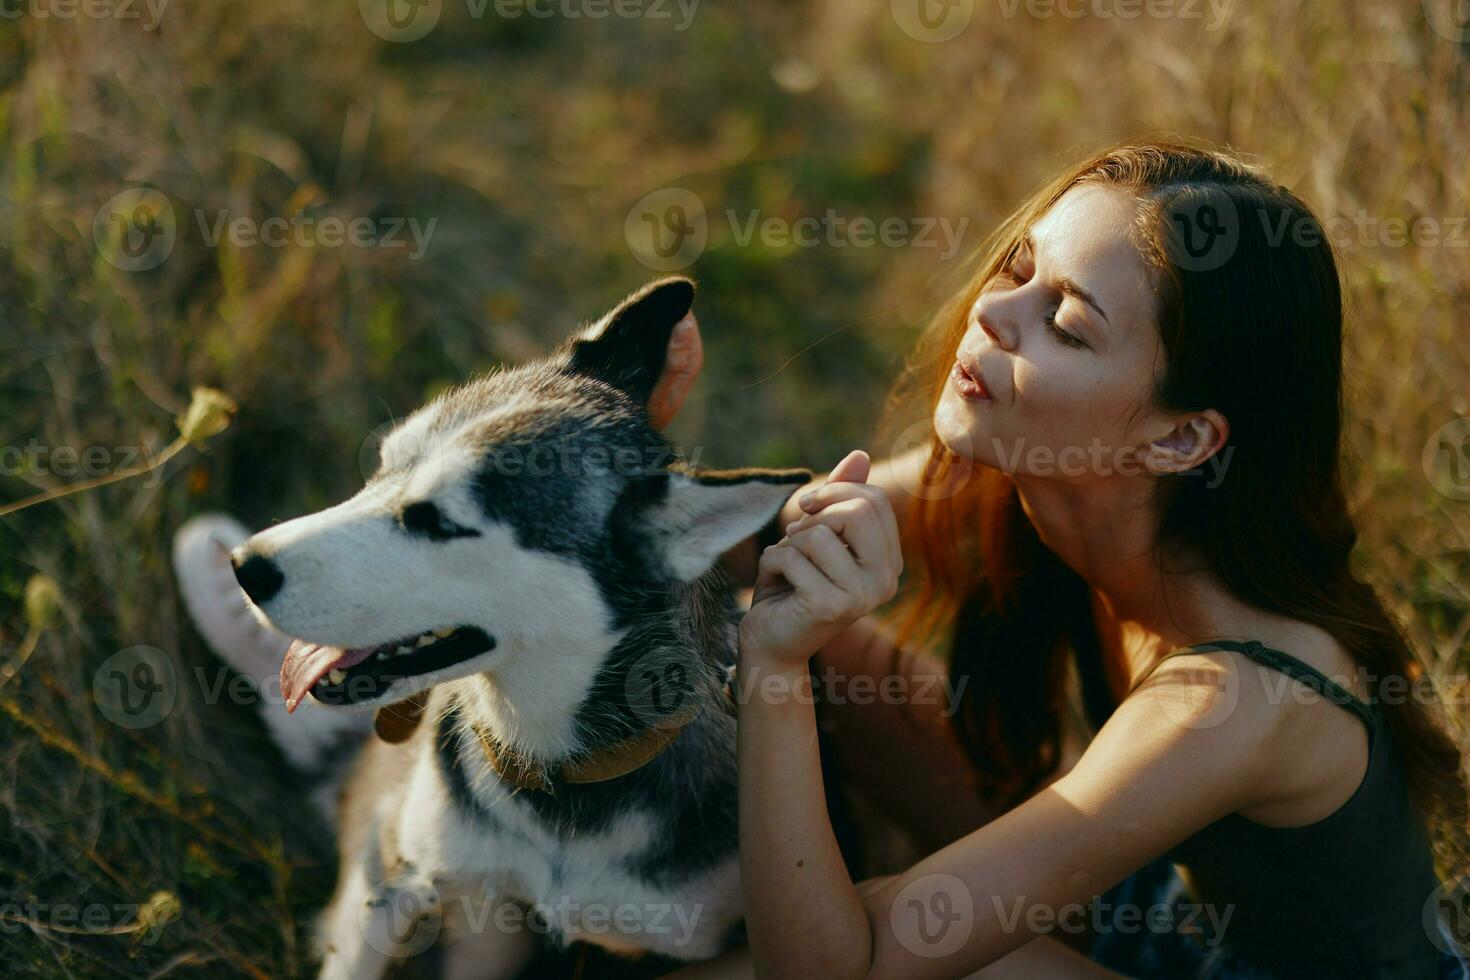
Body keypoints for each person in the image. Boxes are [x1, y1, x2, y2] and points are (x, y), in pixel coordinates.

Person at [175, 140, 1469, 979]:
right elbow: (737, 543)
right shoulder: (1024, 487)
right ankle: (340, 691)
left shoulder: (1240, 694)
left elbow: (833, 972)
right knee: (805, 613)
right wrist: (602, 448)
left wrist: (776, 671)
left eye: (1061, 320)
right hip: (1142, 904)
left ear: (1184, 433)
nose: (994, 313)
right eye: (1013, 270)